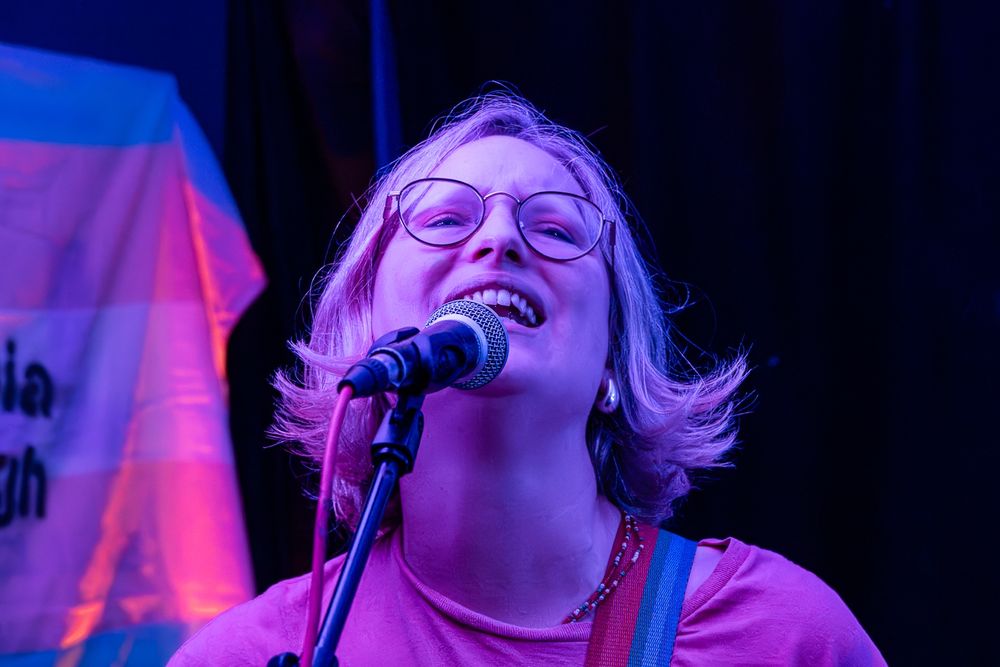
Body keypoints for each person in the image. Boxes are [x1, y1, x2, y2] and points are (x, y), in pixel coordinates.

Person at [170, 93, 885, 665]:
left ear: (613, 361)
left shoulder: (785, 637)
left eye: (557, 229)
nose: (499, 238)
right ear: (367, 331)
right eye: (446, 219)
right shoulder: (247, 654)